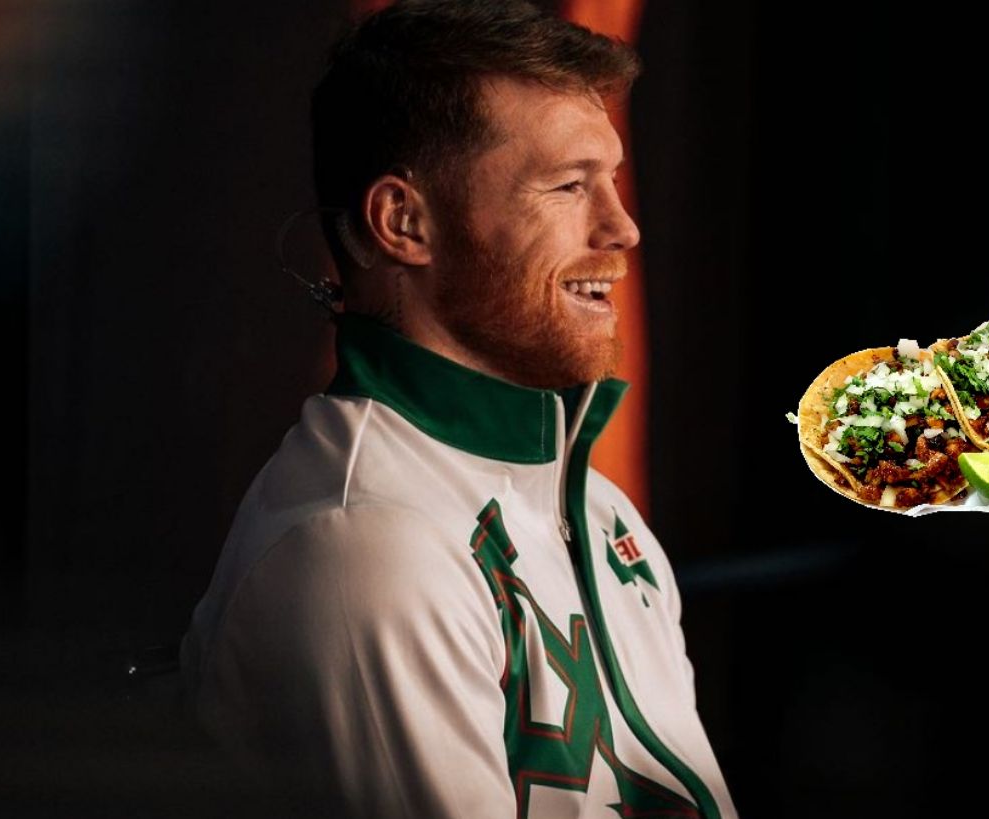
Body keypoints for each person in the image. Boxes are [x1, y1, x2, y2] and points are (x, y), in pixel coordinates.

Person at [179, 1, 738, 816]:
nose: (621, 228)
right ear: (403, 221)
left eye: (611, 181)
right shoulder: (365, 544)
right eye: (568, 185)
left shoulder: (602, 514)